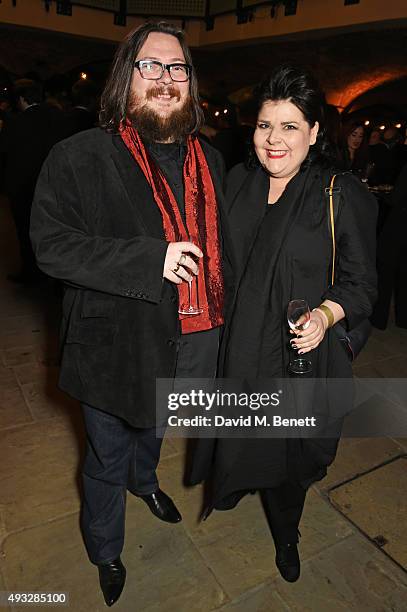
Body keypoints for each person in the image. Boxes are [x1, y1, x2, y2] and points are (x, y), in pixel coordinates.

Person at [30, 21, 232, 607]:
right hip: (113, 341)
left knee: (157, 426)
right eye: (150, 66)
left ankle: (145, 486)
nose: (166, 79)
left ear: (191, 83)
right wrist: (150, 260)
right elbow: (52, 245)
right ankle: (104, 548)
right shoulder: (79, 155)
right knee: (106, 453)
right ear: (125, 78)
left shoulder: (212, 159)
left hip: (192, 334)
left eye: (178, 68)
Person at [190, 65, 377, 583]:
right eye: (264, 125)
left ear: (314, 132)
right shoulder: (238, 181)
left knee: (290, 458)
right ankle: (240, 479)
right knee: (244, 436)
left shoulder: (340, 194)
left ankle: (287, 531)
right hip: (240, 348)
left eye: (290, 126)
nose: (273, 140)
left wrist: (324, 314)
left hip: (299, 357)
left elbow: (363, 286)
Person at [2, 79, 69, 283]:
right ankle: (55, 276)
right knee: (55, 231)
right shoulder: (61, 117)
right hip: (57, 185)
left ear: (21, 99)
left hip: (24, 187)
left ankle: (31, 274)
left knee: (26, 231)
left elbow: (3, 153)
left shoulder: (16, 122)